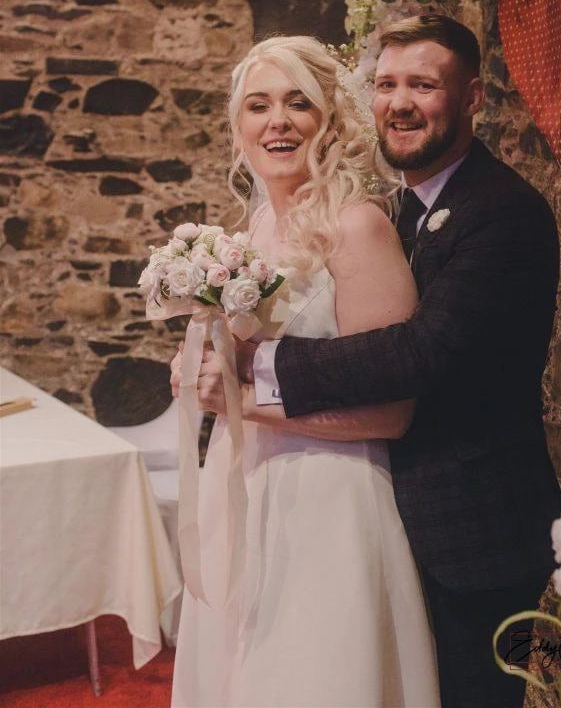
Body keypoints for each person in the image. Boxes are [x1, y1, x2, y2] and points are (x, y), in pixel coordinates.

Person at [230, 15, 561, 708]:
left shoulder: (503, 212)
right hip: (396, 516)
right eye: (386, 85)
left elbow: (420, 352)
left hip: (475, 531)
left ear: (472, 97)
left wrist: (252, 370)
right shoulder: (399, 204)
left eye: (423, 85)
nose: (400, 103)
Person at [170, 35, 440, 708]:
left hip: (327, 499)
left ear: (330, 118)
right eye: (258, 106)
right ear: (239, 126)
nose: (278, 122)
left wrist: (238, 399)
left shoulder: (358, 228)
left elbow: (392, 413)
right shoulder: (257, 225)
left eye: (298, 103)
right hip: (242, 483)